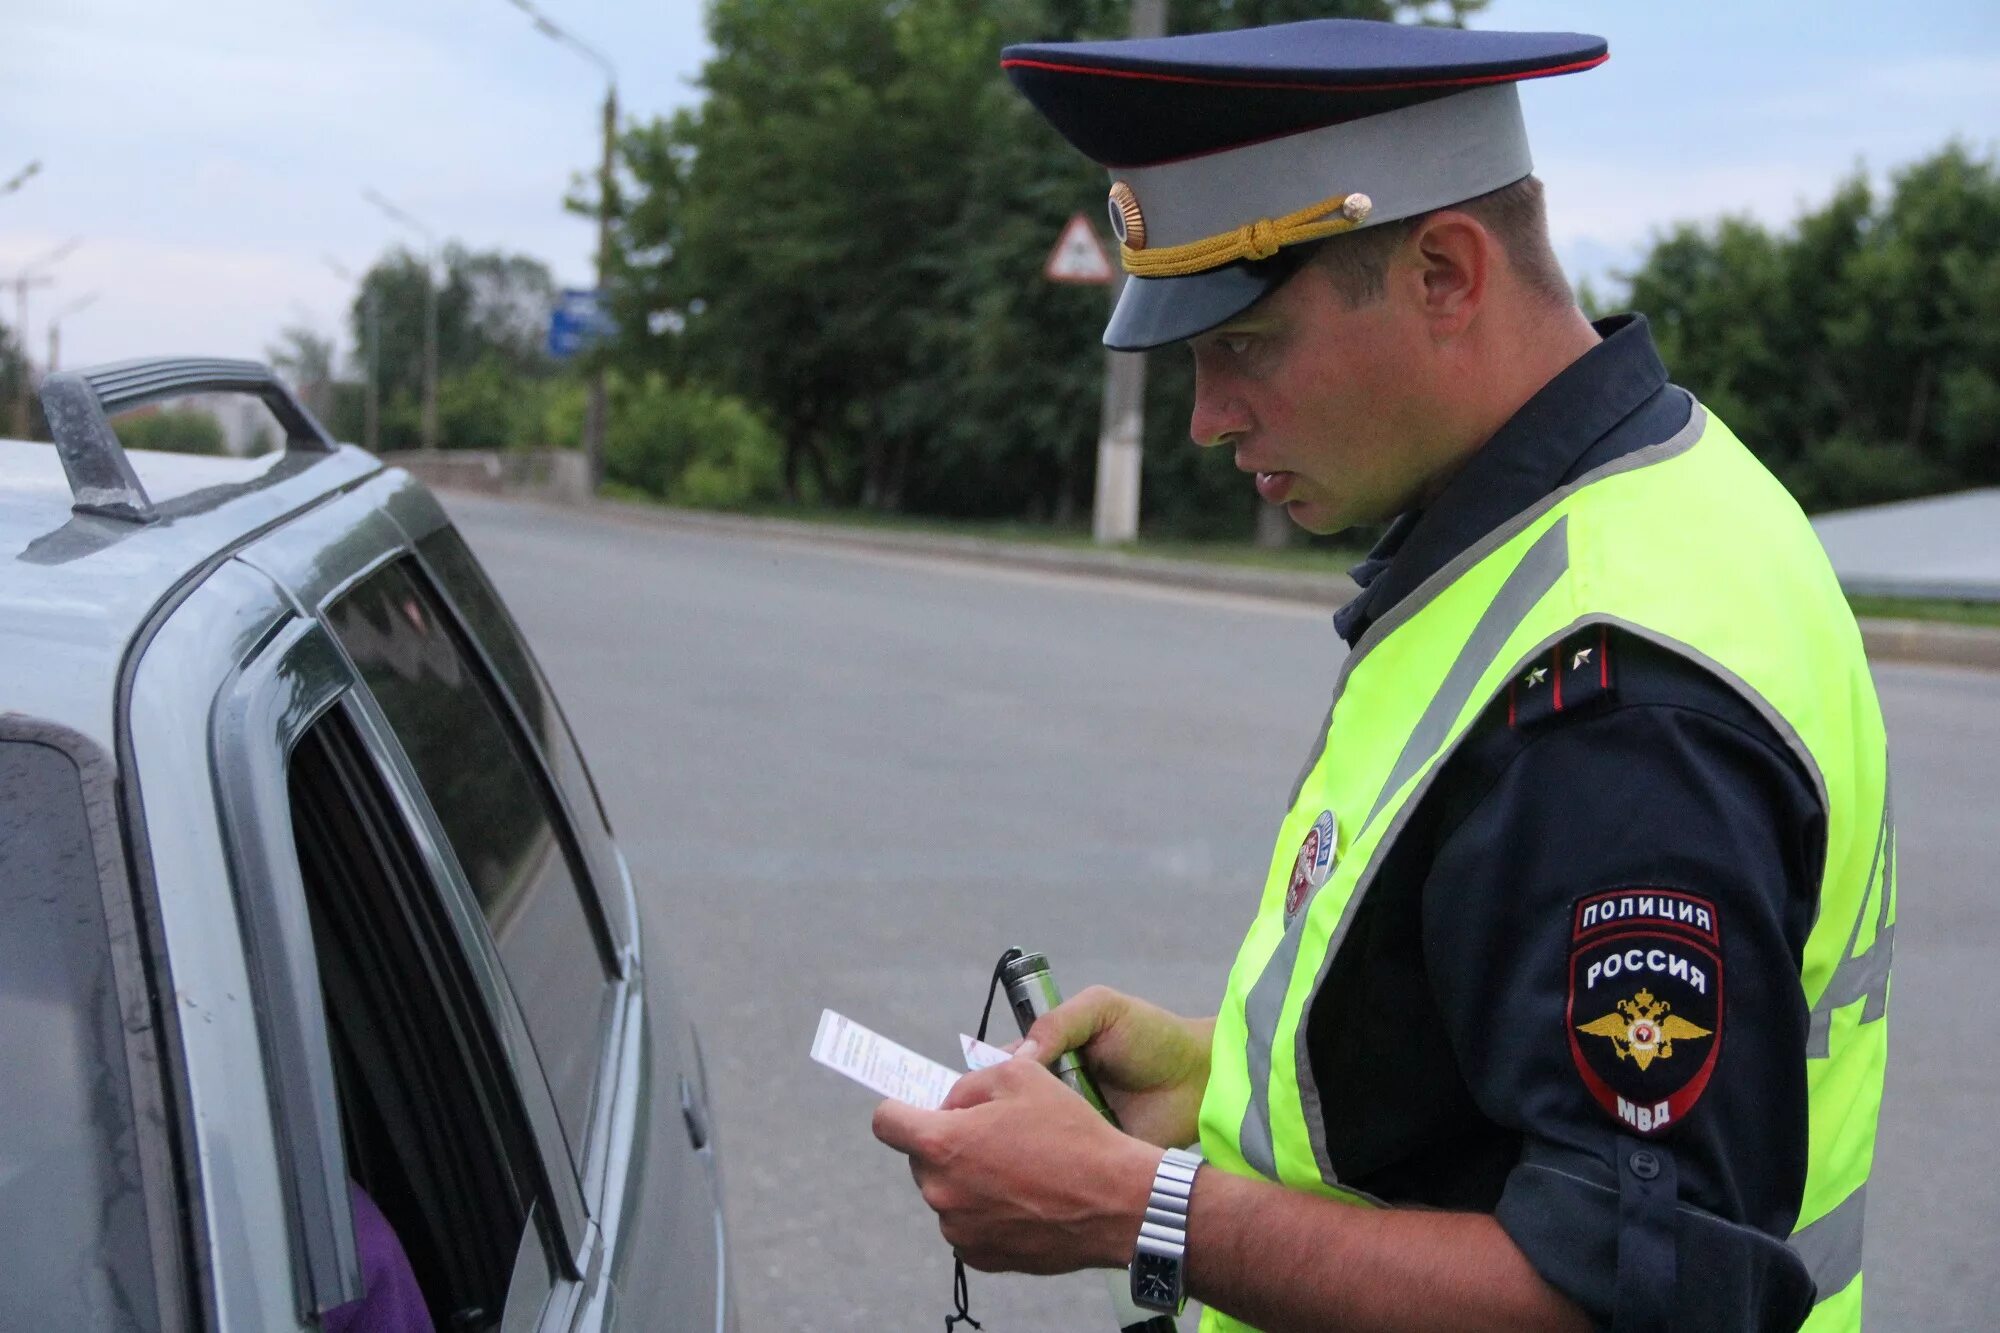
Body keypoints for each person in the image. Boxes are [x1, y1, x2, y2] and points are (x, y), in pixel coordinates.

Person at [871, 19, 1893, 1333]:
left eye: (1244, 342)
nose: (1207, 416)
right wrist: (1233, 1086)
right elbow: (1508, 1060)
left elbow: (1639, 1295)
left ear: (1447, 273)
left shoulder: (1611, 700)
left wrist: (1144, 1207)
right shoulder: (1653, 496)